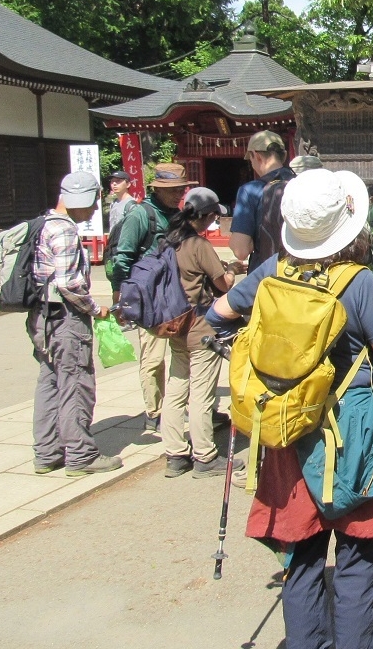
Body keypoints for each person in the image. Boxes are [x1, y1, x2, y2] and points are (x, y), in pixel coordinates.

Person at [208, 168, 373, 649]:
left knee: (303, 559)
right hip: (354, 431)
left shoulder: (272, 273)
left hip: (289, 427)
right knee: (355, 561)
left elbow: (217, 316)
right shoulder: (359, 282)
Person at [30, 172, 123, 477]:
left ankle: (47, 452)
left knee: (49, 381)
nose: (96, 209)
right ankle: (81, 454)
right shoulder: (65, 231)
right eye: (94, 202)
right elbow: (68, 283)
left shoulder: (41, 224)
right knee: (76, 383)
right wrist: (95, 309)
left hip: (41, 317)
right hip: (67, 319)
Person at [160, 188, 244, 479]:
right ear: (208, 216)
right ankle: (205, 456)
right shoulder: (198, 246)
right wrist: (232, 270)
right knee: (201, 394)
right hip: (201, 328)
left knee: (175, 387)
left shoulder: (169, 241)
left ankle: (174, 453)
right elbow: (223, 285)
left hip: (174, 325)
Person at [109, 162, 196, 434]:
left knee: (183, 353)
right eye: (172, 189)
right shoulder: (141, 215)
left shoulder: (178, 215)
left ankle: (178, 407)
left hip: (176, 295)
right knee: (153, 357)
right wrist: (125, 293)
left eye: (181, 189)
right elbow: (122, 256)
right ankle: (154, 411)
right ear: (156, 189)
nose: (177, 194)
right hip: (149, 296)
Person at [230, 130, 295, 272]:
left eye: (251, 159)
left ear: (256, 156)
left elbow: (240, 251)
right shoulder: (300, 183)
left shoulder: (250, 191)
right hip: (300, 272)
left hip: (266, 274)